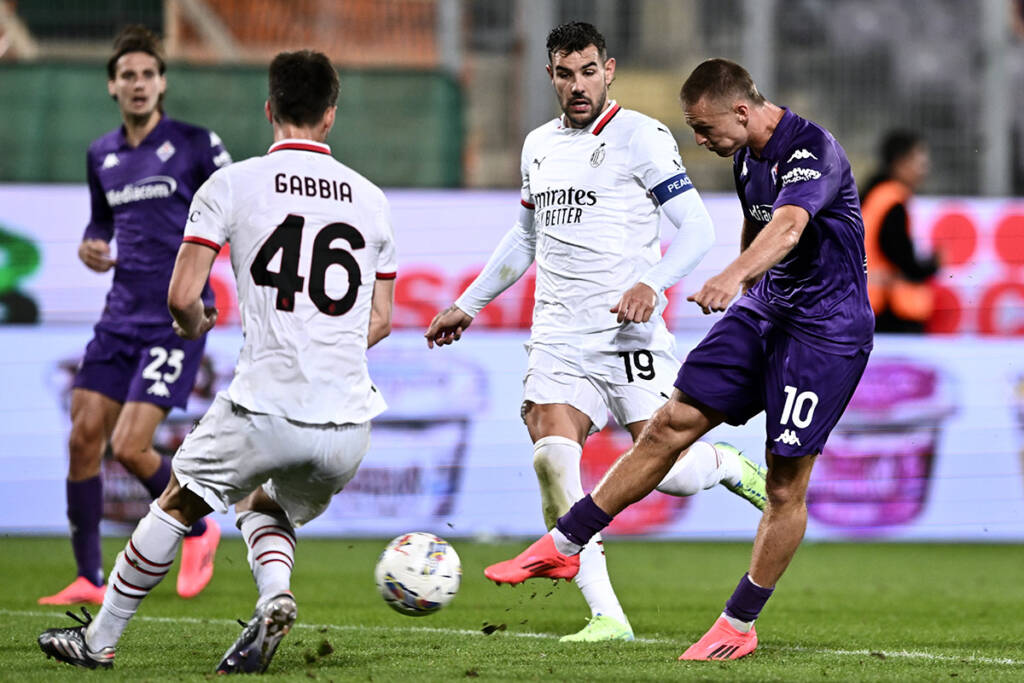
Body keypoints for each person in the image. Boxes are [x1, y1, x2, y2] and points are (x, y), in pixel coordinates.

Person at [485, 58, 874, 661]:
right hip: (767, 312)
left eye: (704, 127)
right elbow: (758, 219)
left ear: (741, 111)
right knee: (669, 425)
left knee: (785, 483)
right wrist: (750, 292)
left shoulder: (811, 149)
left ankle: (738, 625)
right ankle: (566, 543)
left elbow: (791, 225)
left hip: (825, 333)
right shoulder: (746, 155)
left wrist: (732, 275)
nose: (698, 139)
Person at [37, 49, 397, 673]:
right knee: (264, 503)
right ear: (331, 117)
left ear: (269, 109)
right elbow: (384, 319)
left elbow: (182, 296)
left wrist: (193, 322)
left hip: (266, 405)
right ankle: (276, 595)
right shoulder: (372, 201)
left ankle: (98, 643)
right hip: (349, 425)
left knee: (177, 503)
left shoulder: (233, 183)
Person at [425, 24, 767, 643]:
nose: (577, 84)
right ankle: (606, 615)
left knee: (674, 470)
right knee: (553, 459)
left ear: (608, 70)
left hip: (628, 339)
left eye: (587, 71)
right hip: (558, 337)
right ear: (550, 76)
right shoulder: (538, 146)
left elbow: (696, 230)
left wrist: (653, 282)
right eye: (564, 73)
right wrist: (468, 304)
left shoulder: (642, 136)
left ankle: (722, 463)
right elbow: (526, 236)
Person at [39, 25, 228, 606]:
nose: (139, 84)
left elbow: (242, 211)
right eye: (128, 76)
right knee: (82, 439)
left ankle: (200, 528)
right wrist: (90, 246)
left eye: (148, 74)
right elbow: (100, 226)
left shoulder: (197, 144)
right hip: (118, 317)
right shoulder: (101, 154)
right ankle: (89, 579)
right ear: (112, 87)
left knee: (129, 445)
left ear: (162, 83)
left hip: (176, 316)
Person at [860, 130, 940, 333]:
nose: (925, 169)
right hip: (889, 307)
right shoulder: (892, 200)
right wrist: (929, 267)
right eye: (919, 162)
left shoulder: (874, 194)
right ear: (899, 162)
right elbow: (897, 253)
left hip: (868, 303)